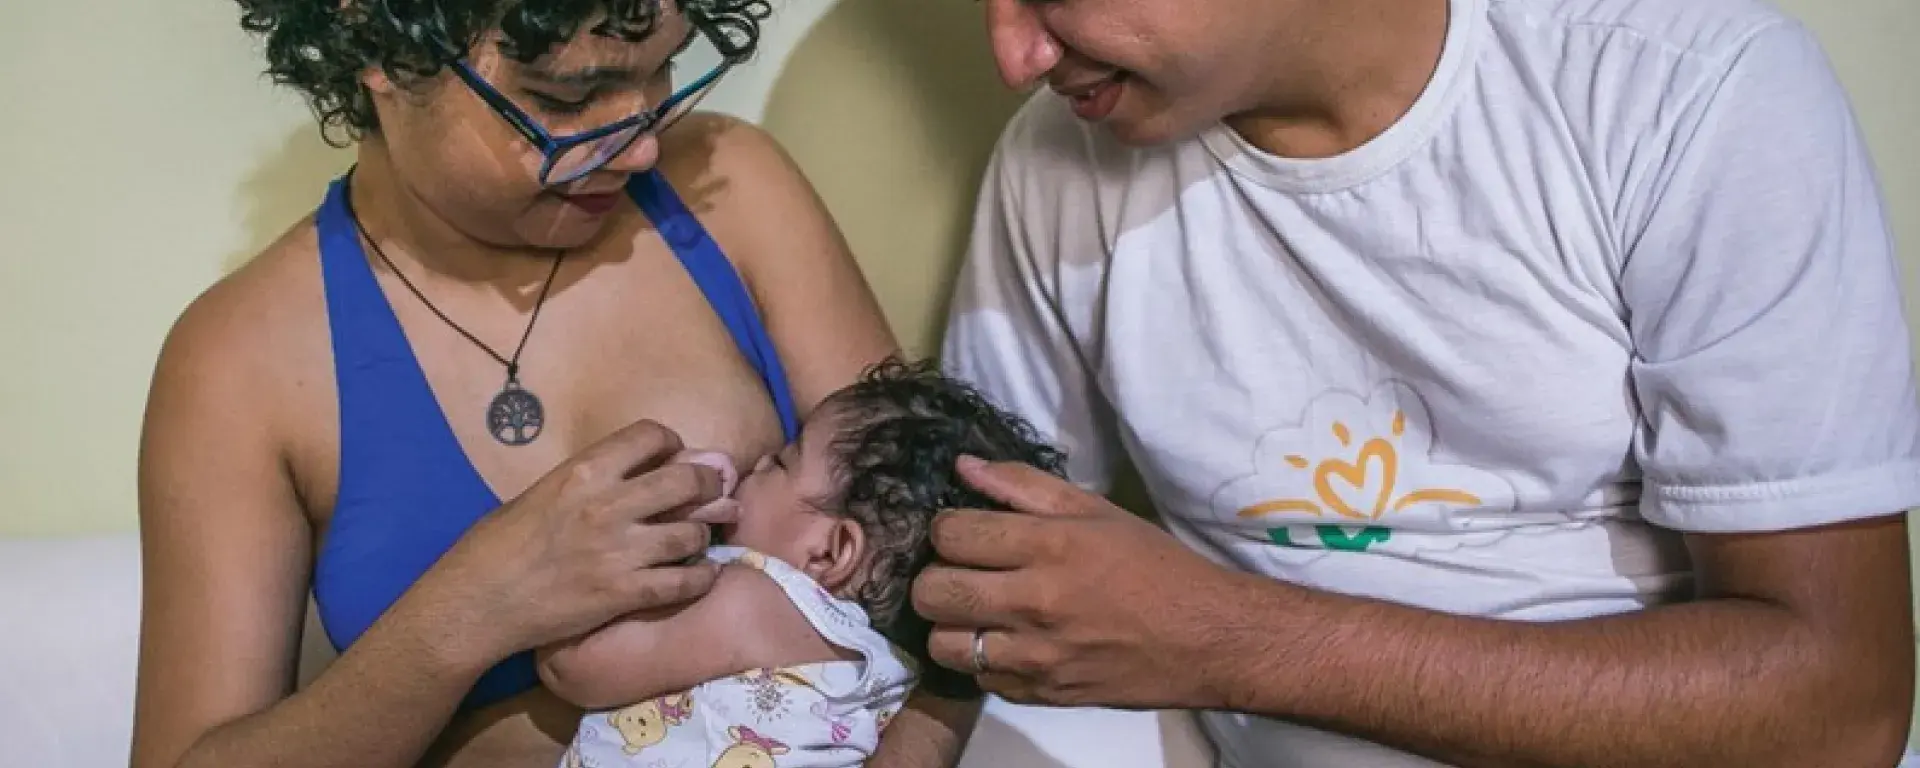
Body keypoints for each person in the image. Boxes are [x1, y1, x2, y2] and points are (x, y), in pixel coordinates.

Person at [921, 0, 1920, 765]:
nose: (1016, 57)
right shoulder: (1059, 162)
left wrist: (1225, 640)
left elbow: (1840, 707)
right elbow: (982, 561)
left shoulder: (1681, 88)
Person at [128, 1, 978, 766]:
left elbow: (958, 580)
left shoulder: (733, 193)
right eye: (570, 99)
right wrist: (470, 608)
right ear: (375, 38)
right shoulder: (240, 364)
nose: (641, 142)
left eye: (662, 75)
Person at [537, 356, 1065, 768]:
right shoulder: (891, 672)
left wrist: (652, 528)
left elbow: (572, 661)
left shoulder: (750, 601)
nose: (758, 461)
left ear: (830, 552)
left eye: (784, 461)